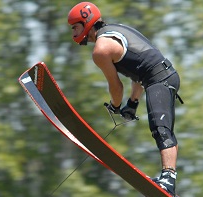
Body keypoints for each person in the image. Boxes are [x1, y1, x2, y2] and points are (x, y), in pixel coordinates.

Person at [68, 2, 183, 196]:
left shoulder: (101, 50)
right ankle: (168, 181)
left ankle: (168, 182)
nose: (73, 33)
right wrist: (132, 104)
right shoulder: (117, 29)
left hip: (159, 80)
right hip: (163, 76)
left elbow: (116, 87)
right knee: (163, 129)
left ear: (86, 22)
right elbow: (139, 73)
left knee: (161, 129)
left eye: (75, 27)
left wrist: (115, 106)